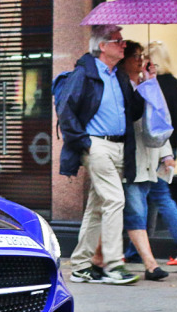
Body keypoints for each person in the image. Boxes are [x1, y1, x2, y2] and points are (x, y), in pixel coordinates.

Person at [56, 24, 143, 286]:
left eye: (123, 41)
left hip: (118, 146)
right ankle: (114, 265)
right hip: (97, 146)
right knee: (115, 200)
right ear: (102, 46)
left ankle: (81, 266)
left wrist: (142, 83)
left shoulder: (119, 76)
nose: (123, 45)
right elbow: (65, 110)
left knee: (96, 208)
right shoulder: (85, 74)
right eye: (118, 41)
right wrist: (85, 143)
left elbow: (134, 113)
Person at [118, 41, 173, 281]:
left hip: (149, 157)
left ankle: (99, 258)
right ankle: (150, 264)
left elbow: (159, 120)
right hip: (130, 158)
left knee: (135, 211)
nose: (140, 60)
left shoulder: (147, 85)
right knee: (135, 212)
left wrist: (166, 153)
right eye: (135, 56)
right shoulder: (119, 86)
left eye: (142, 56)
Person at [143, 41, 177, 264]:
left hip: (156, 146)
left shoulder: (155, 86)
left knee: (158, 197)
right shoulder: (176, 84)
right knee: (149, 198)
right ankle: (136, 248)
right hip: (170, 146)